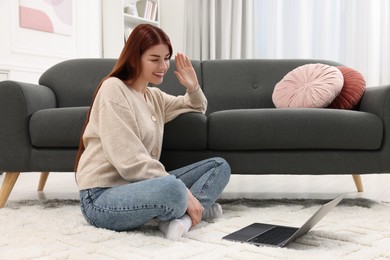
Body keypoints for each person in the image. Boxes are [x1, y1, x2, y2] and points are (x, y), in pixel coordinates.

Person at [74, 24, 231, 240]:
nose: (164, 65)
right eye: (155, 59)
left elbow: (196, 106)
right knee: (174, 190)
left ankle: (185, 219)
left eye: (167, 58)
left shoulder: (154, 97)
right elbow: (130, 162)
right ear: (134, 58)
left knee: (219, 166)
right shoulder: (113, 89)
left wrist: (193, 87)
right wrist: (184, 193)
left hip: (140, 186)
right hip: (101, 197)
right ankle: (197, 208)